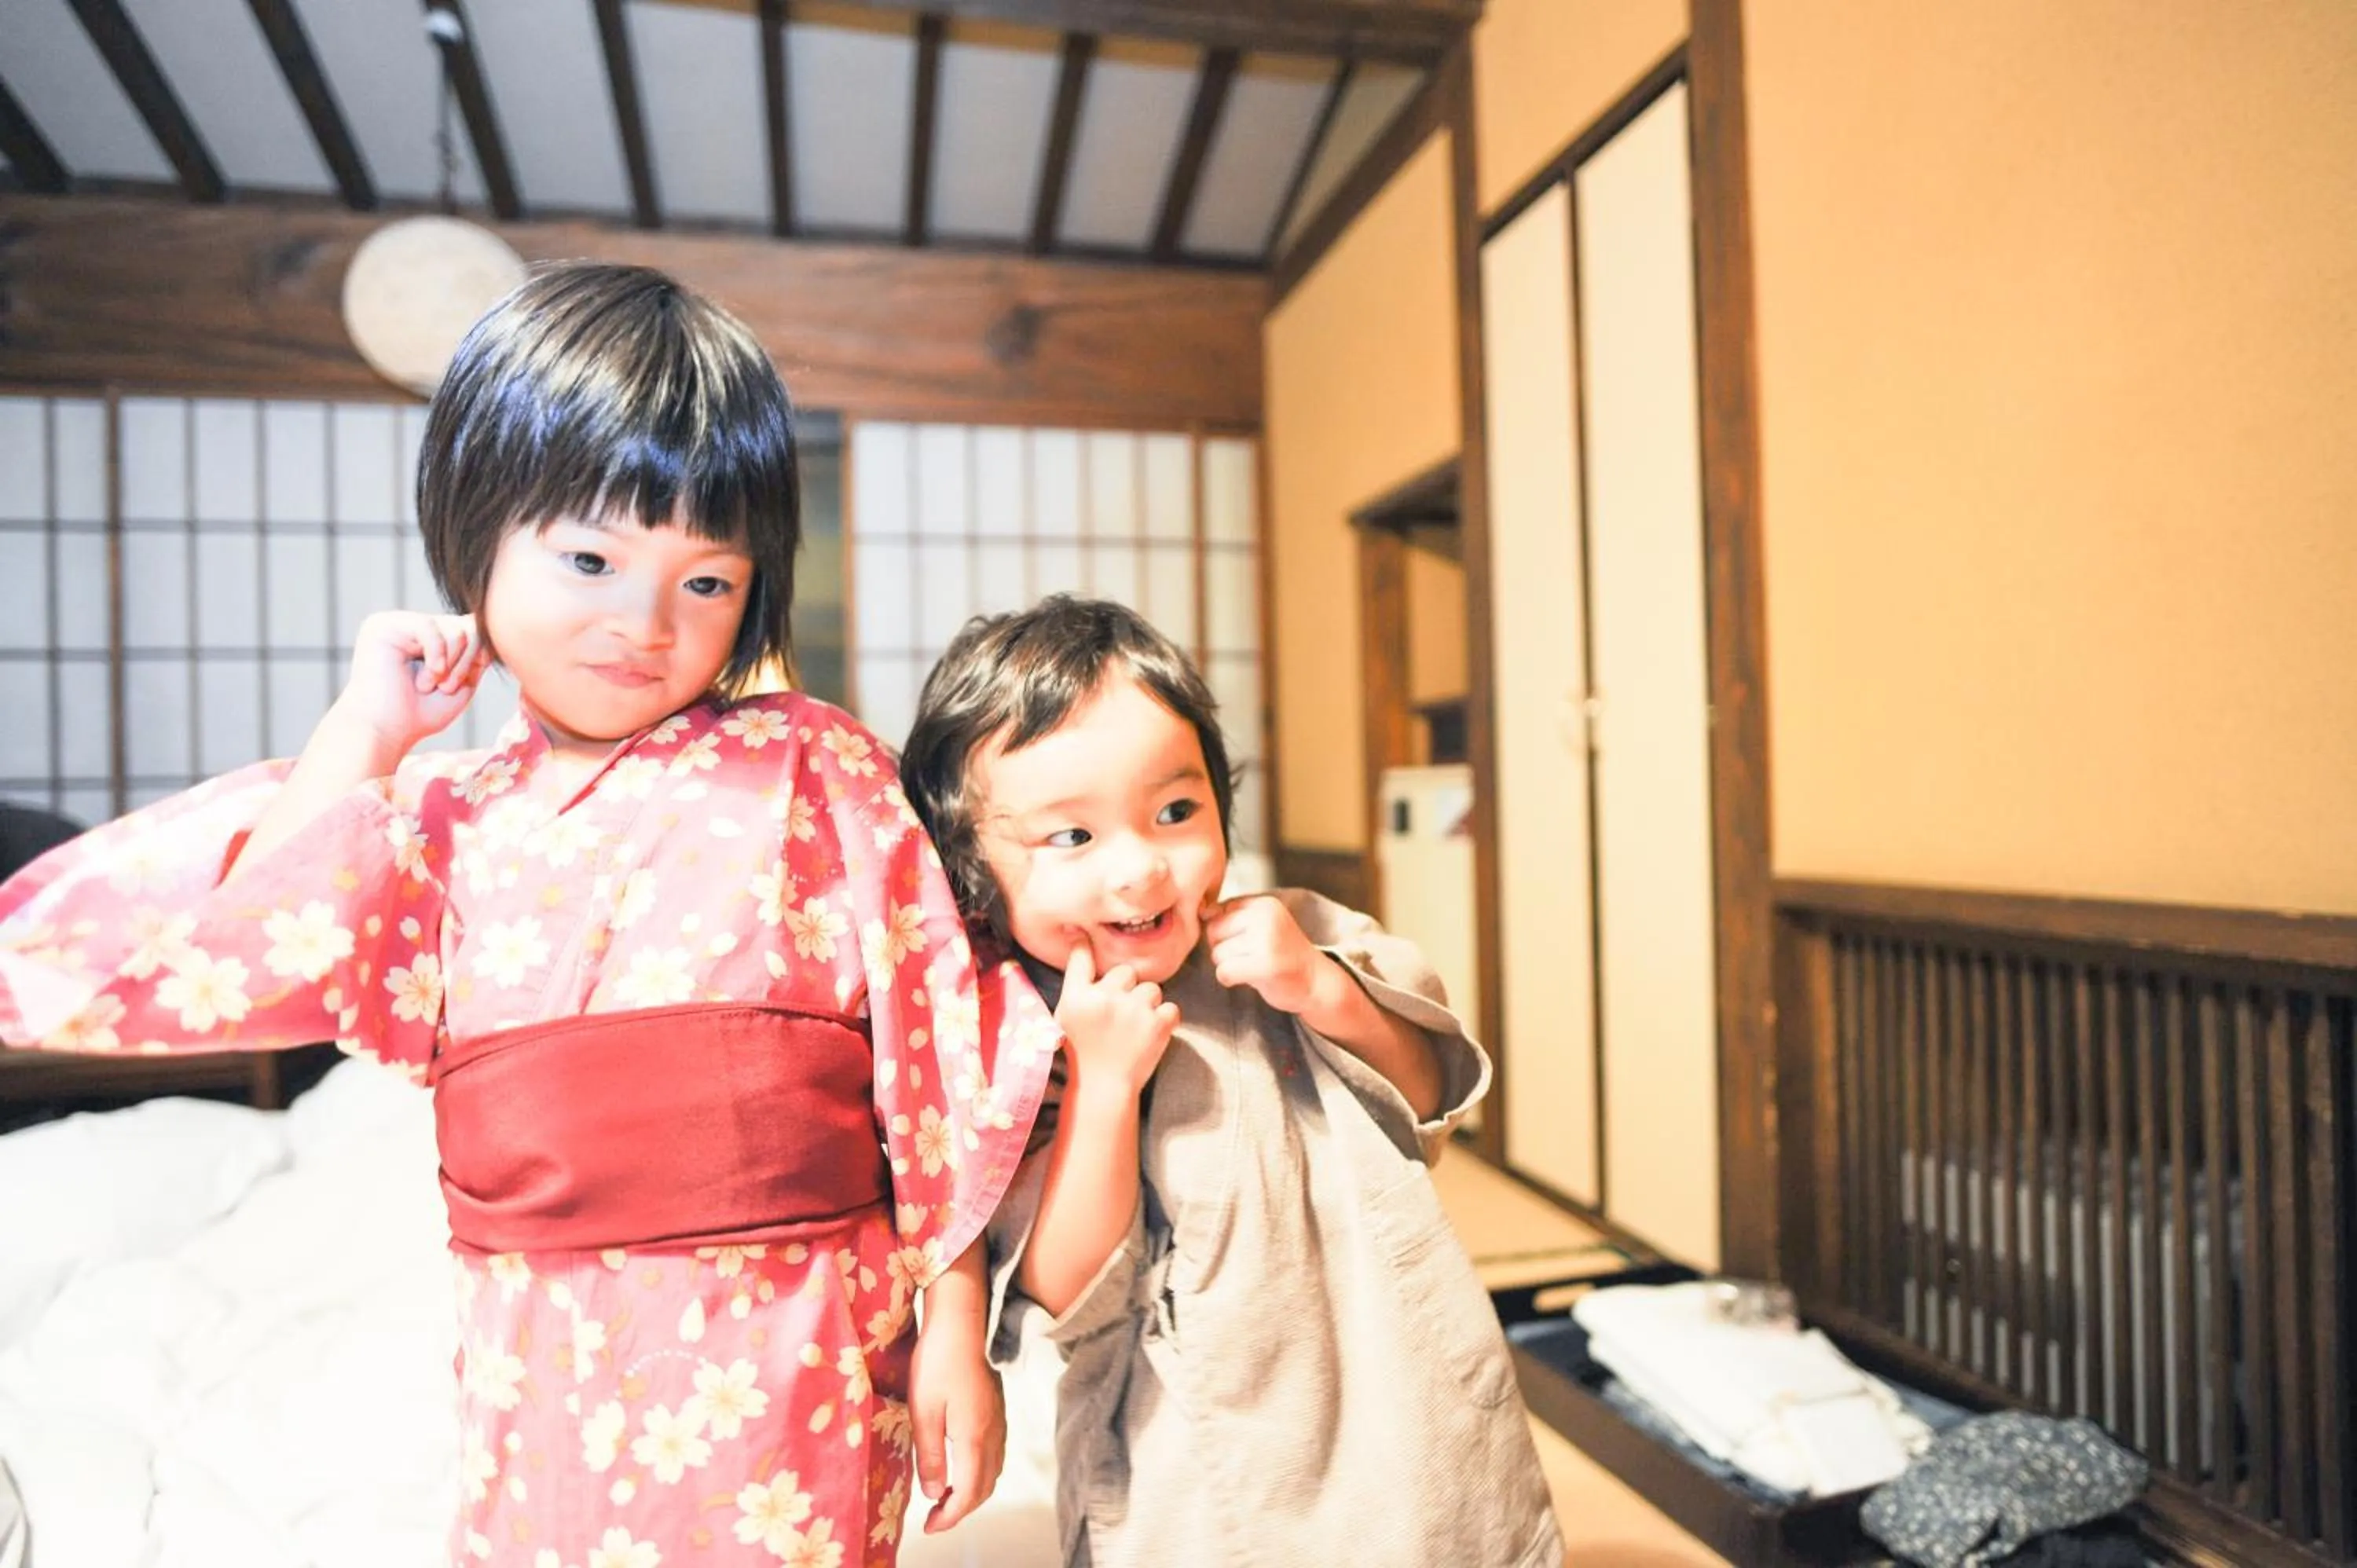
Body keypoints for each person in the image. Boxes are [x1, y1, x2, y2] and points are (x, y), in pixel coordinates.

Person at [0, 263, 1057, 1566]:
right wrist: (370, 728)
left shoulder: (818, 765)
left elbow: (934, 1057)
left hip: (802, 1338)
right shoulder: (448, 815)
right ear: (478, 533)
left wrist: (954, 1321)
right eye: (591, 559)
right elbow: (250, 929)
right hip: (542, 1346)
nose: (645, 623)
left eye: (708, 583)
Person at [899, 595, 1564, 1567]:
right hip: (1194, 1474)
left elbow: (1429, 1098)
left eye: (1175, 811)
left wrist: (1322, 989)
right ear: (972, 870)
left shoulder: (1294, 933)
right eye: (1070, 838)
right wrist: (1103, 1088)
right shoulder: (1009, 1032)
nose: (1138, 868)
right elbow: (1060, 1286)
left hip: (1407, 1414)